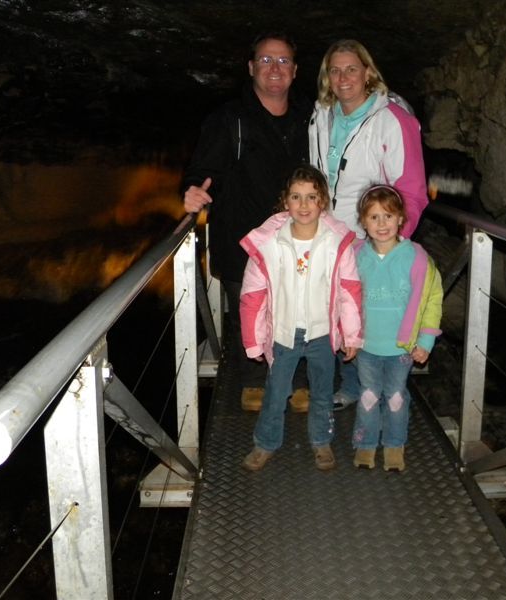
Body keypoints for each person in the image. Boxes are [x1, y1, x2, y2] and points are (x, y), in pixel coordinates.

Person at [181, 32, 312, 412]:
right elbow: (202, 170)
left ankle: (298, 378)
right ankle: (254, 379)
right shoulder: (229, 119)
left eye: (283, 61)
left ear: (295, 70)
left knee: (300, 308)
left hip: (299, 235)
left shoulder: (311, 115)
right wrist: (191, 190)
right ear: (252, 67)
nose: (275, 68)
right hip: (244, 236)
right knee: (250, 310)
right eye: (267, 60)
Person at [308, 39, 429, 411]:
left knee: (367, 314)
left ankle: (372, 388)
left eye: (351, 69)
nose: (343, 77)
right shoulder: (321, 114)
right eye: (335, 69)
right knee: (335, 312)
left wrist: (390, 246)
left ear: (368, 73)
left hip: (368, 239)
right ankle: (345, 384)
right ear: (327, 77)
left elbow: (411, 190)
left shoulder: (392, 118)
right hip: (326, 233)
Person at [239, 165, 363, 471]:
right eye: (296, 197)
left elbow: (349, 291)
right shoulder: (269, 243)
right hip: (283, 333)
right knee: (276, 394)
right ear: (286, 202)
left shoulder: (337, 241)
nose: (304, 205)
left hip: (322, 332)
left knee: (322, 393)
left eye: (311, 197)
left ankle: (321, 442)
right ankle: (265, 443)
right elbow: (253, 295)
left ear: (323, 201)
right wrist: (253, 341)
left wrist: (351, 335)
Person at [351, 185, 443, 472]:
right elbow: (343, 297)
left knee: (395, 396)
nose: (382, 224)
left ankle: (394, 443)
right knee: (368, 395)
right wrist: (347, 334)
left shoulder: (416, 257)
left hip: (401, 346)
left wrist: (425, 341)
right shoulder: (355, 255)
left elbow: (432, 299)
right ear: (363, 221)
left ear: (401, 218)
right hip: (366, 345)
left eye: (388, 216)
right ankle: (365, 444)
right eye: (374, 217)